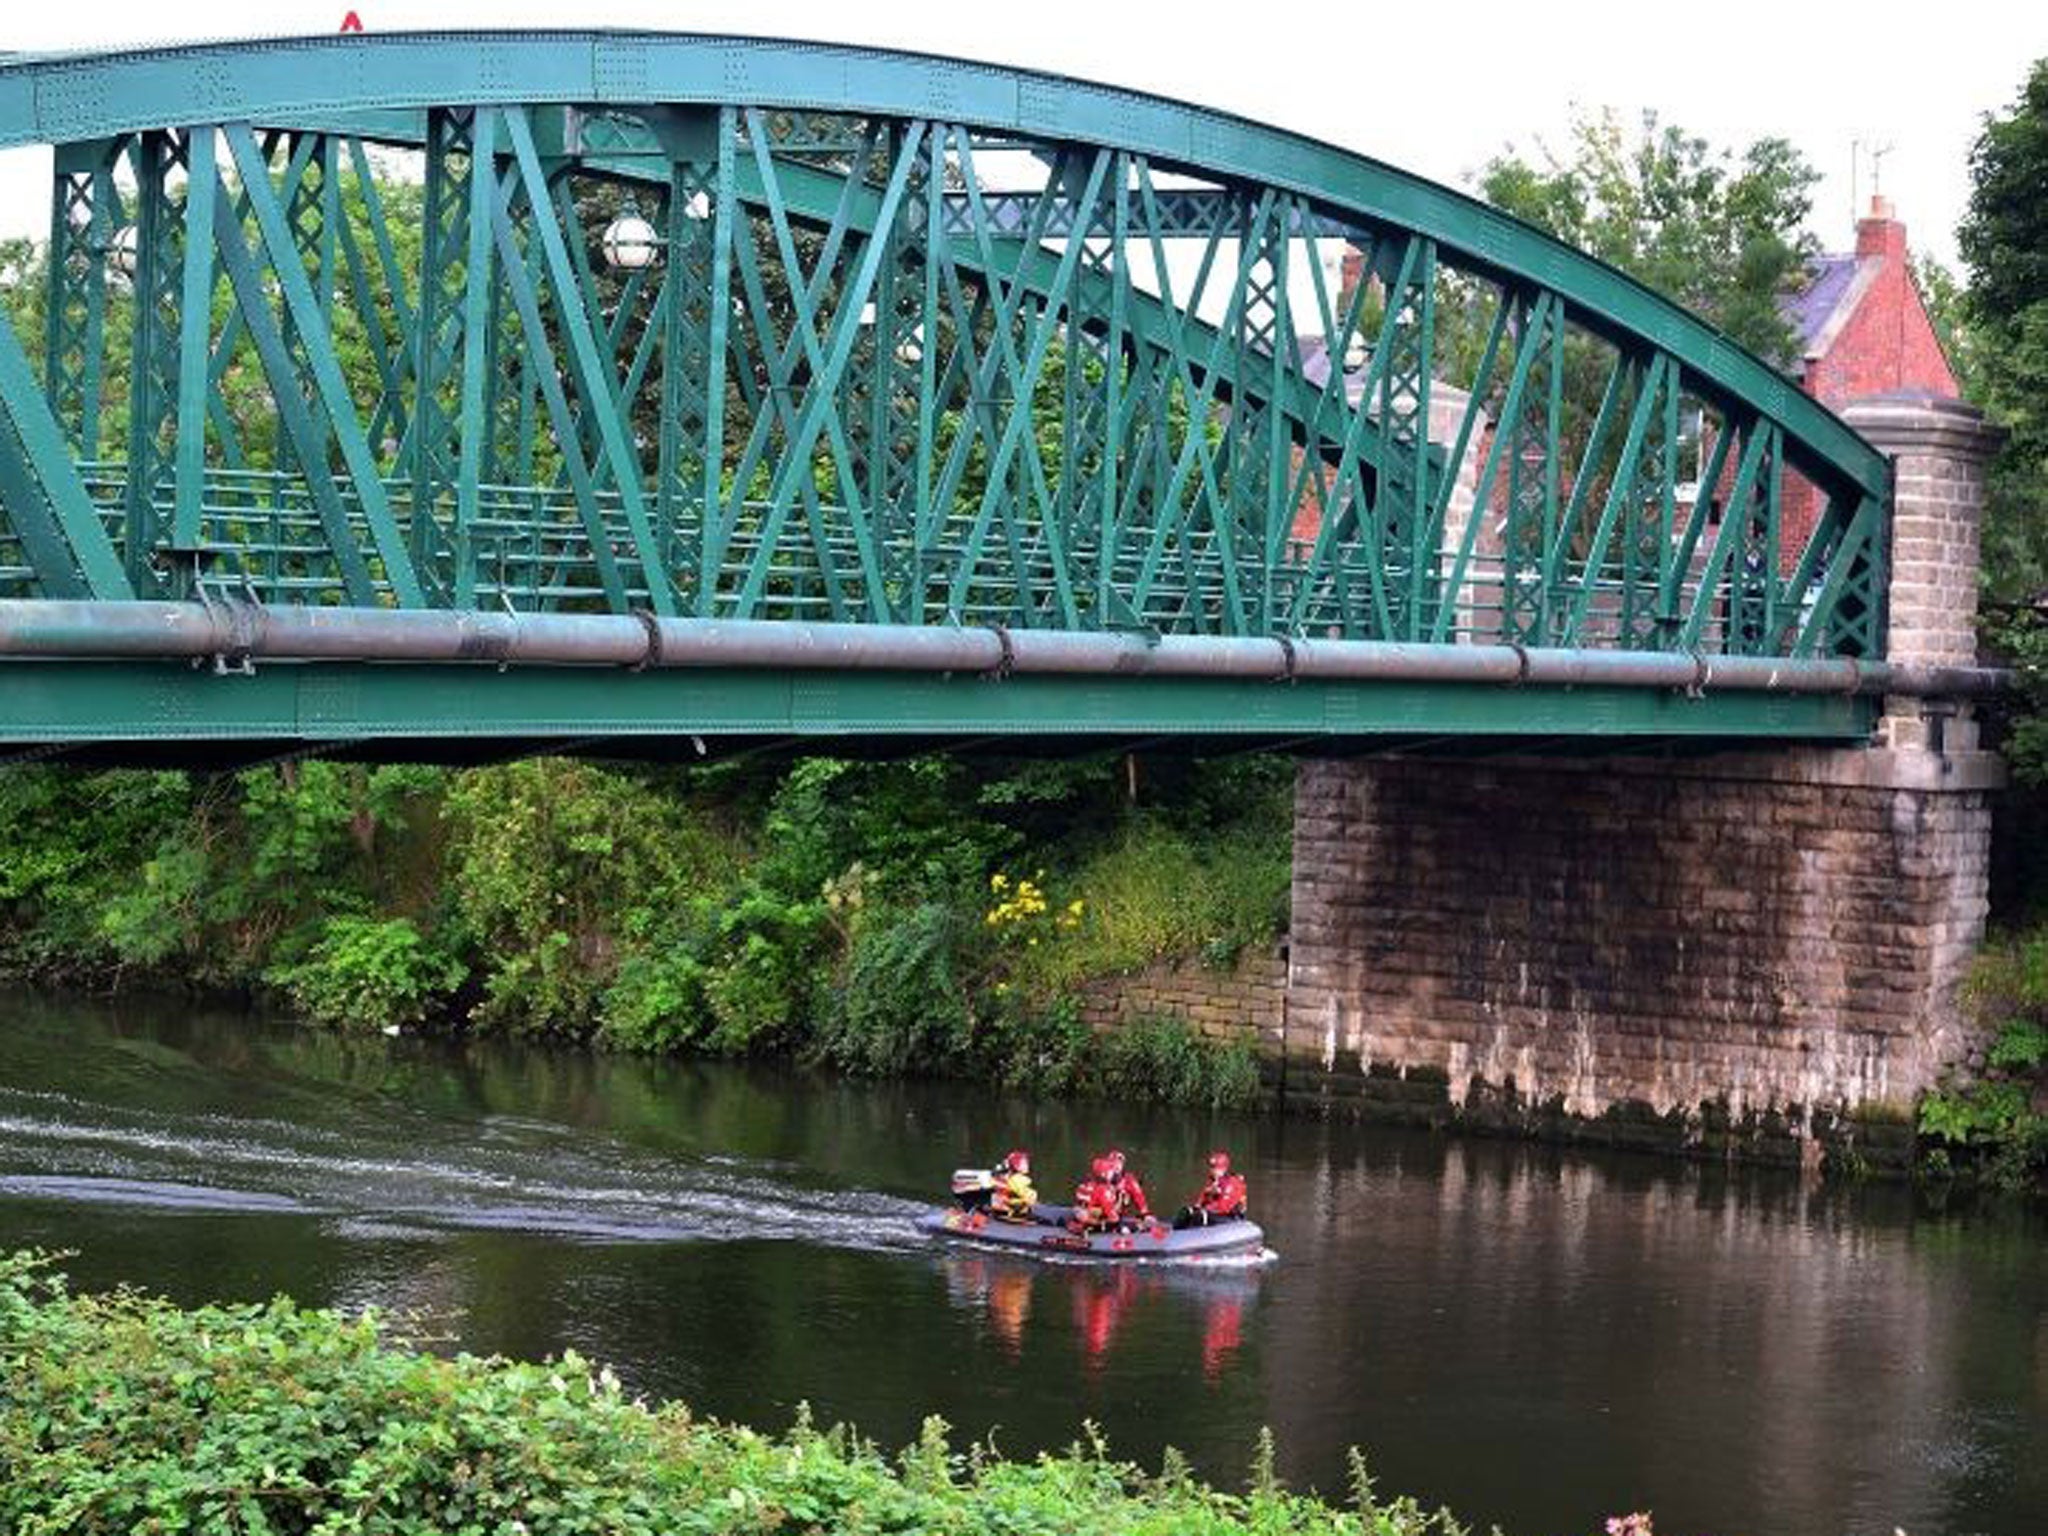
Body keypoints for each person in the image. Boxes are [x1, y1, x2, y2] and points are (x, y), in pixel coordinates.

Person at [1175, 1151, 1248, 1228]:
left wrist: (1206, 1209)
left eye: (1214, 1167)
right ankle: (1175, 1233)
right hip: (1214, 1213)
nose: (1211, 1170)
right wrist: (1195, 1209)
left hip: (1230, 1217)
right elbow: (1200, 1202)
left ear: (1223, 1168)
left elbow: (1224, 1207)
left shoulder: (1232, 1183)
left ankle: (1195, 1234)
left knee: (1201, 1216)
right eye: (1211, 1167)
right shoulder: (1212, 1182)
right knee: (1187, 1211)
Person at [1070, 1156, 1122, 1233]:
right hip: (1089, 1220)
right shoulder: (1103, 1189)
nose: (1113, 1174)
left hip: (1079, 1214)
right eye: (1111, 1171)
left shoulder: (1085, 1183)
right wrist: (1120, 1198)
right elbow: (1113, 1218)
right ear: (1105, 1173)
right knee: (1116, 1222)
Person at [1104, 1147, 1151, 1228]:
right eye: (1113, 1164)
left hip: (1117, 1216)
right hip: (1103, 1215)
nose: (1116, 1166)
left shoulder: (1129, 1180)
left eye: (1119, 1163)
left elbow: (1139, 1197)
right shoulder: (1102, 1178)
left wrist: (1145, 1214)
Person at [990, 1148, 1036, 1222]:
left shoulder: (1006, 1178)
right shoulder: (1016, 1180)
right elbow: (1028, 1199)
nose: (1027, 1164)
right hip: (1011, 1215)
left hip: (1004, 1212)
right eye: (1024, 1162)